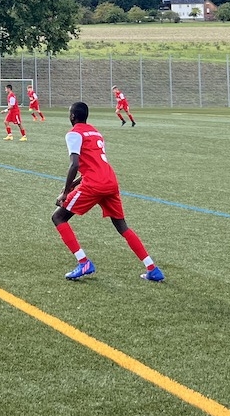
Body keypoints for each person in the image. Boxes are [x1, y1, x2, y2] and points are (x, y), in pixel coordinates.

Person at [54, 101, 164, 282]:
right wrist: (74, 183)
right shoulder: (95, 132)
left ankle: (84, 263)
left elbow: (74, 164)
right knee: (122, 226)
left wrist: (65, 192)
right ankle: (152, 268)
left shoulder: (73, 134)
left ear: (72, 116)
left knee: (58, 217)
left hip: (94, 184)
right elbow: (96, 164)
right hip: (110, 181)